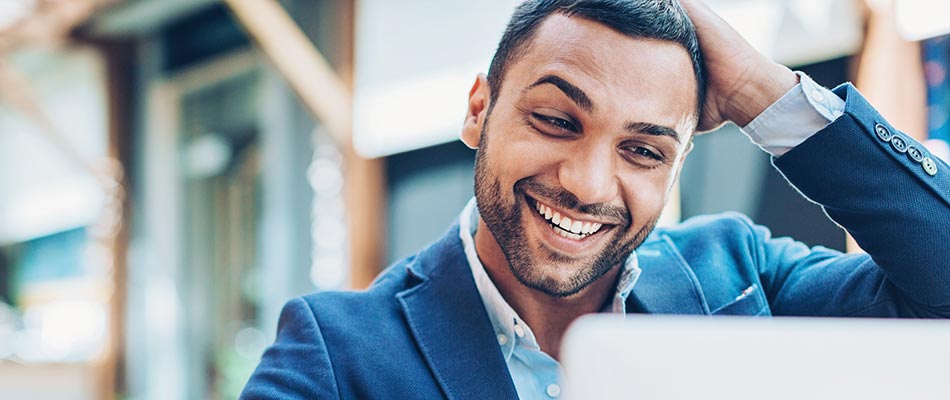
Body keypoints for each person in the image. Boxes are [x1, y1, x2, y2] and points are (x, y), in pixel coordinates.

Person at [241, 0, 950, 398]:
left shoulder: (740, 275)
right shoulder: (336, 354)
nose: (585, 183)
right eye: (555, 120)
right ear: (479, 110)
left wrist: (763, 95)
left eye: (644, 150)